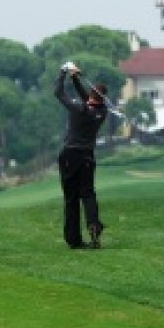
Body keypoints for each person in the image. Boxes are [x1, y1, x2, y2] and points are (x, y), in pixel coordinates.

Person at [54, 62, 107, 249]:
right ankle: (93, 224)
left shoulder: (80, 109)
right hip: (87, 157)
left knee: (71, 198)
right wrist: (75, 77)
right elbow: (87, 97)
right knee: (88, 193)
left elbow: (59, 94)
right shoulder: (102, 112)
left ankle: (74, 240)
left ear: (91, 96)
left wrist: (62, 72)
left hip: (70, 155)